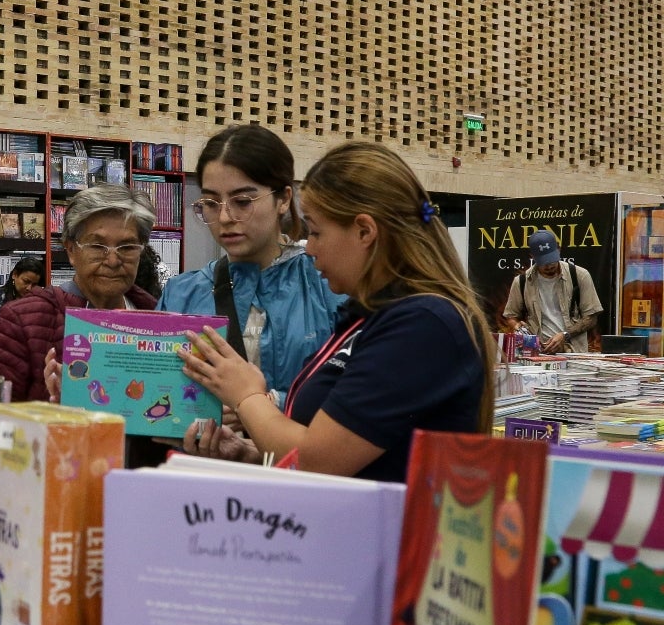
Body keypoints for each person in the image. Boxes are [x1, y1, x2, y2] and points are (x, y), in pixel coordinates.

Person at [176, 140, 495, 483]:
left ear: (364, 231)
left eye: (315, 232)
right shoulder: (375, 316)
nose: (309, 248)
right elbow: (348, 457)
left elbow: (318, 459)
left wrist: (247, 395)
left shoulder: (422, 325)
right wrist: (253, 455)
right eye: (211, 202)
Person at [157, 124, 345, 406]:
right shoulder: (181, 293)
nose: (224, 217)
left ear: (283, 199)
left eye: (242, 201)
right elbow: (159, 390)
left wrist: (269, 405)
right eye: (210, 202)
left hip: (301, 448)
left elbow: (362, 392)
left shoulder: (327, 283)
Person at [0, 184, 158, 401]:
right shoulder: (23, 319)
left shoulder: (158, 317)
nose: (112, 261)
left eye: (127, 247)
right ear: (71, 250)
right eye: (97, 246)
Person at [503, 229, 602, 354]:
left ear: (559, 249)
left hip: (574, 353)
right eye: (543, 262)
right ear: (532, 256)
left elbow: (592, 318)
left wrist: (565, 335)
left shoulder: (580, 275)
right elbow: (511, 316)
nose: (549, 266)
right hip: (537, 353)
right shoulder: (521, 282)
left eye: (552, 259)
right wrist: (518, 327)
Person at [0, 257, 45, 341]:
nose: (29, 288)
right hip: (0, 347)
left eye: (34, 284)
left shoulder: (40, 301)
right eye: (26, 281)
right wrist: (10, 332)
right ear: (15, 275)